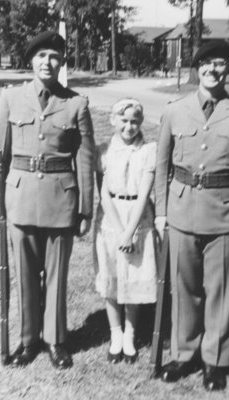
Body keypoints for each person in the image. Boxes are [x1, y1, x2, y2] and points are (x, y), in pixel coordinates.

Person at [155, 40, 229, 391]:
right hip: (183, 210)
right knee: (184, 288)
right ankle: (184, 354)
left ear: (228, 69)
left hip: (227, 213)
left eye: (221, 64)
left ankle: (214, 360)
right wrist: (161, 212)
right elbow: (161, 166)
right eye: (207, 64)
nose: (213, 71)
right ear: (196, 68)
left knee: (221, 290)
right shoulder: (174, 111)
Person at [0, 31, 95, 369]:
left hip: (62, 201)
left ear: (62, 62)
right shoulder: (11, 98)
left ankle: (55, 340)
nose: (47, 62)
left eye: (54, 56)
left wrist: (86, 208)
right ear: (31, 61)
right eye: (41, 56)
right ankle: (28, 339)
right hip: (19, 199)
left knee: (58, 275)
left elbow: (87, 159)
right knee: (25, 275)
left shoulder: (76, 103)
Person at [94, 98, 157, 364]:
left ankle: (130, 333)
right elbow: (103, 193)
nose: (129, 127)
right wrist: (120, 231)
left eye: (134, 121)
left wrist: (130, 232)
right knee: (111, 275)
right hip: (111, 219)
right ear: (113, 120)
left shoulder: (149, 150)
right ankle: (115, 332)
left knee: (134, 274)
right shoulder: (104, 151)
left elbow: (145, 192)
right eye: (124, 120)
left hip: (138, 218)